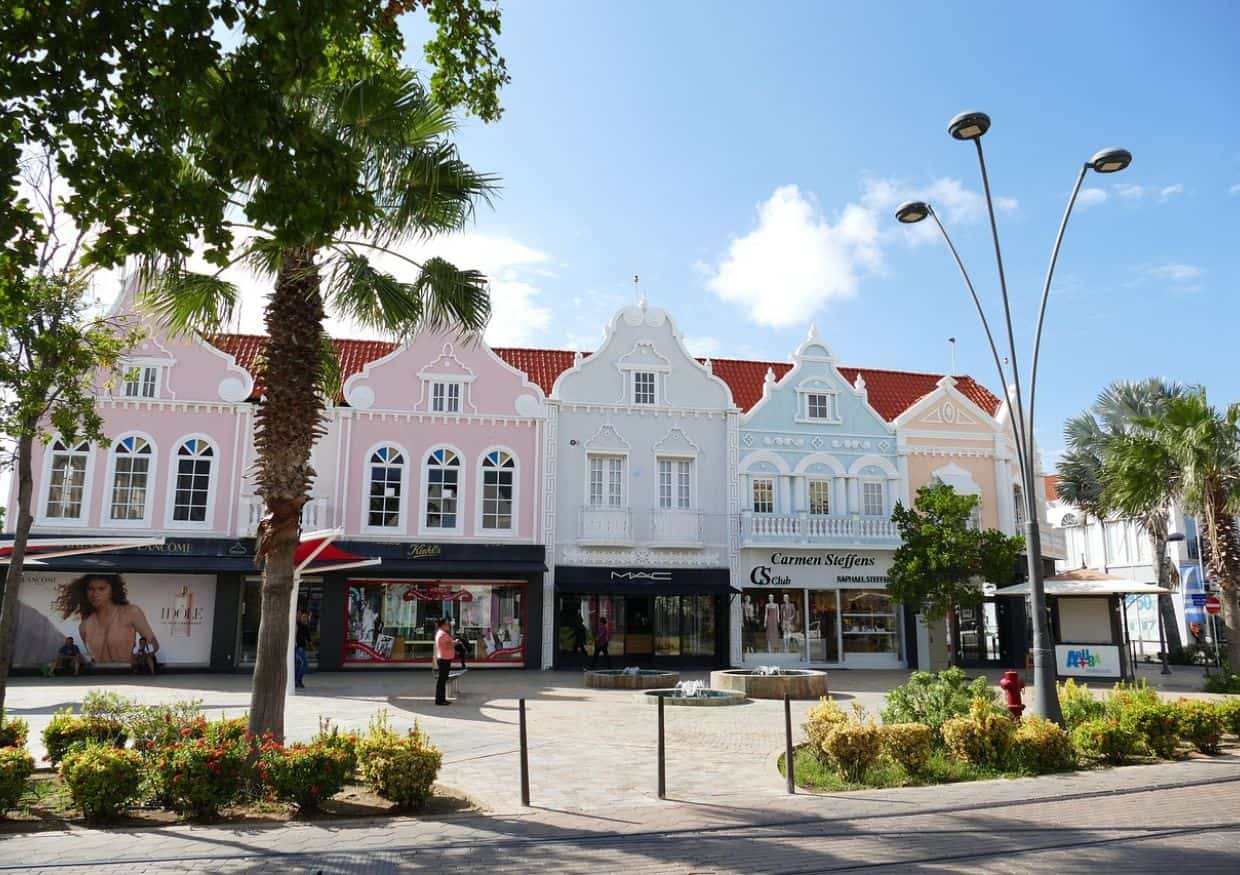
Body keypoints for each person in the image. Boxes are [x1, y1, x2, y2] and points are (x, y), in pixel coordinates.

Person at [54, 574, 158, 664]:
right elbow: (92, 658)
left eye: (101, 588)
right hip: (101, 675)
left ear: (112, 590)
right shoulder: (84, 626)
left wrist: (140, 655)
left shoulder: (130, 612)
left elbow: (153, 644)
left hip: (128, 672)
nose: (95, 594)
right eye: (91, 589)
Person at [433, 619, 454, 705]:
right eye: (447, 624)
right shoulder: (442, 634)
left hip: (444, 658)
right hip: (444, 659)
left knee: (443, 680)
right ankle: (440, 700)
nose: (448, 626)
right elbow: (446, 645)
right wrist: (455, 643)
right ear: (443, 625)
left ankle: (442, 699)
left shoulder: (442, 633)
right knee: (442, 681)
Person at [294, 609, 311, 689]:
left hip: (302, 647)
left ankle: (297, 681)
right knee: (304, 664)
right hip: (298, 648)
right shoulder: (296, 624)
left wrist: (310, 645)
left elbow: (308, 637)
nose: (303, 617)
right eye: (300, 614)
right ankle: (298, 680)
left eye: (305, 617)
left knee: (299, 665)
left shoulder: (304, 625)